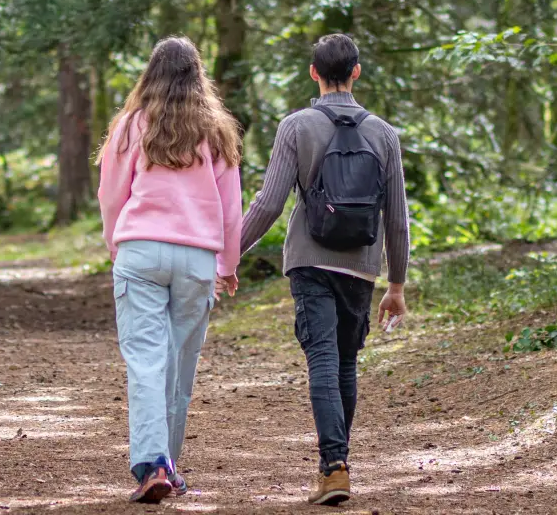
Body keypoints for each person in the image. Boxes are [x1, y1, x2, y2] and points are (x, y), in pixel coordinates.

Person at [239, 33, 408, 506]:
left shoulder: (296, 126)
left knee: (323, 361)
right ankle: (335, 466)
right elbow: (397, 218)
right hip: (361, 265)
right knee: (345, 363)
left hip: (309, 261)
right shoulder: (384, 134)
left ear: (313, 72)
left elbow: (269, 203)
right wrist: (396, 284)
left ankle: (334, 467)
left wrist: (228, 254)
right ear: (356, 72)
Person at [96, 36, 245, 504]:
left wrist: (116, 245)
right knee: (180, 364)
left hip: (140, 250)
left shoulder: (130, 126)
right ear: (198, 75)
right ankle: (168, 466)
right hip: (197, 257)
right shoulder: (217, 130)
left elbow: (111, 195)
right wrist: (228, 264)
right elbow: (231, 208)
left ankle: (154, 465)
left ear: (151, 75)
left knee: (145, 361)